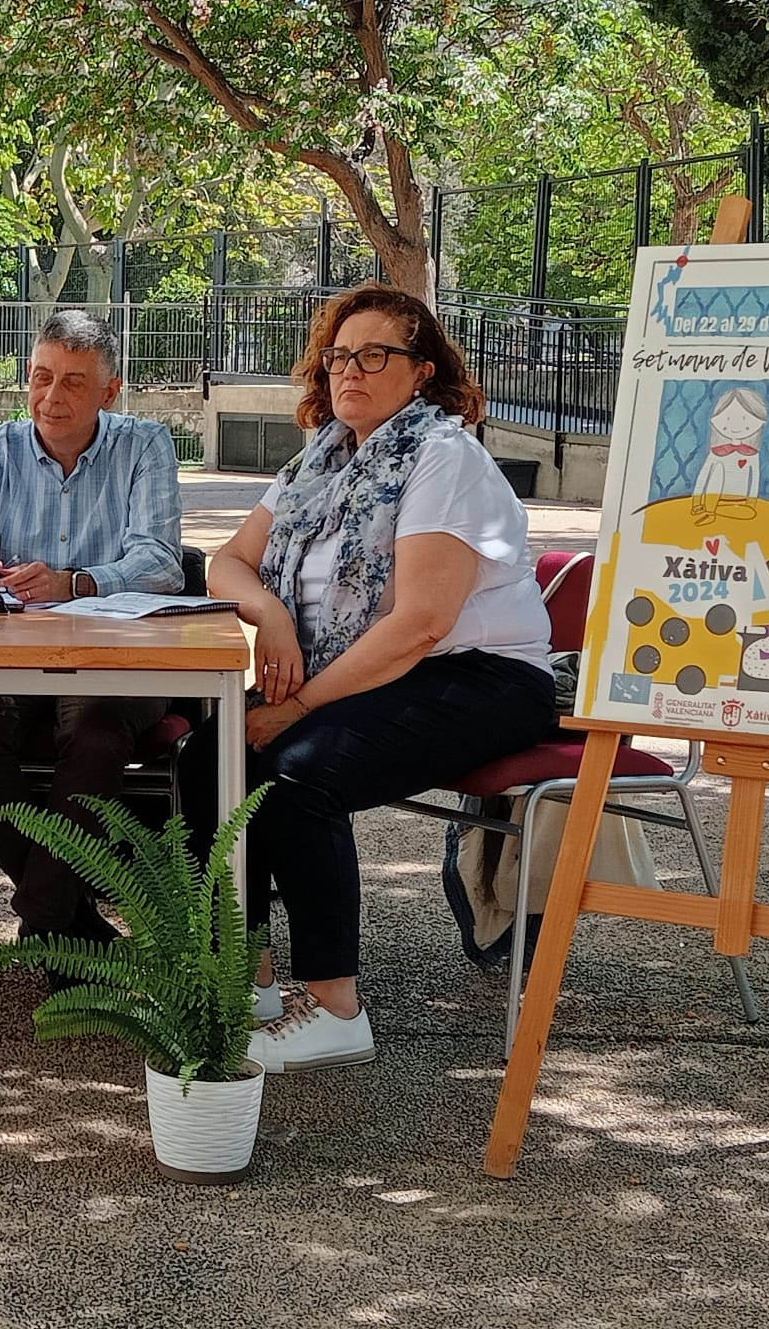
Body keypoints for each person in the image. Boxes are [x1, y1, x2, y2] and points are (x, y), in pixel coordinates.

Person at [180, 283, 556, 1073]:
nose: (350, 371)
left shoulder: (443, 457)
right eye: (339, 356)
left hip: (481, 677)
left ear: (422, 371)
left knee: (297, 775)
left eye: (374, 355)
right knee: (208, 756)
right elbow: (228, 562)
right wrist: (273, 619)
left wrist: (302, 705)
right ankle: (245, 981)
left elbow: (422, 622)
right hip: (368, 673)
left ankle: (336, 1008)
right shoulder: (321, 460)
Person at [0, 308, 184, 945]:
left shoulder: (145, 445)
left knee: (99, 732)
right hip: (9, 655)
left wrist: (75, 582)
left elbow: (161, 562)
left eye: (73, 382)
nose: (51, 396)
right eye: (42, 376)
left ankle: (45, 917)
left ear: (109, 391)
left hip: (113, 654)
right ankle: (67, 919)